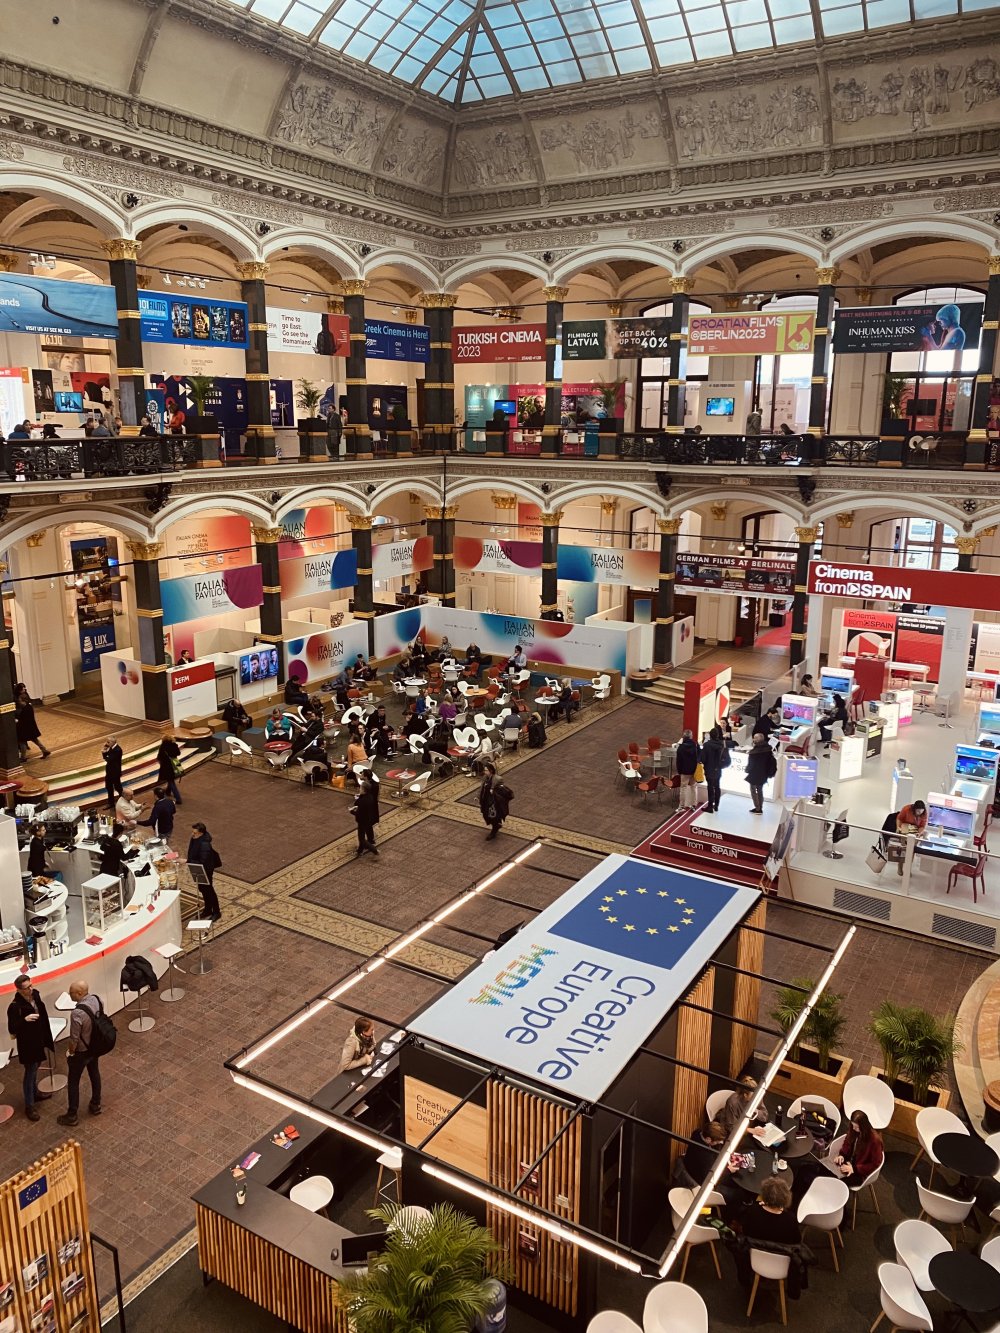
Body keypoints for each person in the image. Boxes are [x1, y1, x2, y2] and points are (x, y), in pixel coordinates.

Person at [7, 974, 55, 1121]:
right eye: (27, 988)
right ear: (20, 990)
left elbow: (43, 1014)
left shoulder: (36, 996)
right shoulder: (15, 1007)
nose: (31, 989)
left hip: (39, 1039)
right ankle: (29, 1105)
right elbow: (12, 1028)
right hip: (28, 1044)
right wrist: (24, 1020)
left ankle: (35, 1093)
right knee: (30, 1072)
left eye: (31, 985)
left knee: (36, 1066)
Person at [57, 981, 104, 1126]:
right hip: (94, 1047)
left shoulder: (77, 1013)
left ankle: (72, 1115)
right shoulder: (97, 999)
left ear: (79, 993)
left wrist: (70, 1053)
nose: (69, 993)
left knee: (73, 1082)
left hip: (81, 1052)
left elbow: (74, 1038)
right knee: (94, 1073)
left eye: (71, 992)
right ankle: (95, 1104)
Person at [741, 1177, 801, 1246]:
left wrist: (759, 1207)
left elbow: (745, 1230)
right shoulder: (790, 1219)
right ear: (786, 1197)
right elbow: (796, 1240)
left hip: (755, 1250)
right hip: (780, 1253)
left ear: (763, 1196)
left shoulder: (752, 1211)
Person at [832, 1109, 884, 1186]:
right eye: (853, 1126)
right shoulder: (854, 1130)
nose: (854, 1129)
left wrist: (854, 1169)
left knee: (836, 1183)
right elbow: (847, 1142)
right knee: (827, 1172)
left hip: (860, 1171)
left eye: (857, 1127)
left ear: (864, 1126)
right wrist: (842, 1155)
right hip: (849, 1162)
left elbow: (875, 1164)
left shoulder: (875, 1140)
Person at [187, 821, 221, 920]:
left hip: (205, 869)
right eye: (192, 832)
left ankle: (216, 912)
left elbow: (203, 861)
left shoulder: (205, 844)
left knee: (209, 890)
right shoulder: (195, 838)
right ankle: (207, 909)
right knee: (202, 889)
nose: (192, 834)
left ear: (201, 833)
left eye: (195, 833)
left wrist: (187, 861)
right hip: (198, 868)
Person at [479, 761, 513, 840]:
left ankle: (495, 828)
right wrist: (478, 797)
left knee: (493, 815)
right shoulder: (485, 777)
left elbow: (502, 789)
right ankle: (496, 824)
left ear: (490, 770)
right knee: (485, 815)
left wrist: (493, 790)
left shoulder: (498, 779)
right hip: (485, 800)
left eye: (486, 770)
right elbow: (481, 788)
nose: (484, 772)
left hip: (494, 801)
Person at [700, 724, 729, 814]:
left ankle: (710, 806)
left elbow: (703, 759)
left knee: (710, 788)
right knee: (717, 787)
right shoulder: (722, 744)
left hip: (709, 769)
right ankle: (716, 805)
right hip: (718, 769)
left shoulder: (707, 745)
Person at [15, 686, 50, 760]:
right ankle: (44, 750)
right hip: (31, 727)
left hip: (24, 729)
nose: (18, 702)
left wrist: (17, 721)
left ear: (23, 701)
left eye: (20, 700)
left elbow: (22, 720)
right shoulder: (29, 707)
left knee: (22, 742)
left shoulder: (24, 710)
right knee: (35, 740)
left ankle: (23, 757)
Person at [746, 732, 777, 814]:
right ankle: (760, 807)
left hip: (755, 774)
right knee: (760, 790)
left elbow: (751, 765)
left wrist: (747, 770)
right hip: (764, 773)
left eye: (755, 738)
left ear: (758, 740)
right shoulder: (768, 749)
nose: (753, 739)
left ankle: (757, 808)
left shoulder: (754, 752)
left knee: (753, 790)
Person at [353, 776, 380, 856]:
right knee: (362, 835)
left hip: (362, 821)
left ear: (364, 790)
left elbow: (359, 812)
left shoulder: (363, 801)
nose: (359, 790)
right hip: (368, 819)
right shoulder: (370, 797)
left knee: (361, 839)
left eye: (361, 788)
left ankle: (374, 850)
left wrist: (352, 811)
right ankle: (360, 851)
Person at [675, 728, 700, 809]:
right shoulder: (696, 745)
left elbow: (678, 761)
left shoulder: (681, 748)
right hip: (694, 770)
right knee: (694, 787)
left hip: (684, 771)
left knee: (683, 788)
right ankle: (694, 804)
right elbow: (699, 756)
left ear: (684, 737)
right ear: (691, 736)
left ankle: (681, 806)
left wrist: (679, 771)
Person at [156, 733, 183, 805]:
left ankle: (178, 799)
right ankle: (168, 791)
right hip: (174, 765)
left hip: (166, 767)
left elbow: (159, 757)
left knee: (171, 782)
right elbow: (178, 753)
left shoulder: (163, 746)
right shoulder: (174, 745)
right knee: (170, 780)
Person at [102, 737, 124, 809]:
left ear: (113, 742)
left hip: (115, 773)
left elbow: (109, 759)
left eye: (108, 742)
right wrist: (105, 751)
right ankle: (111, 803)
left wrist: (105, 753)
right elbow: (106, 757)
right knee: (109, 787)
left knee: (118, 788)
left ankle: (124, 802)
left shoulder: (118, 750)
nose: (106, 743)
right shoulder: (112, 748)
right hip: (109, 772)